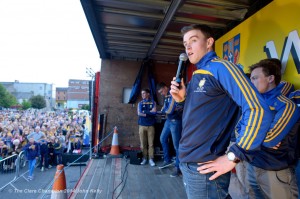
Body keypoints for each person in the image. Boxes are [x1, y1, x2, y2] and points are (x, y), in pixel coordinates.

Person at [169, 24, 273, 198]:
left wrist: (234, 156)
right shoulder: (197, 74)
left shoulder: (222, 67)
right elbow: (201, 116)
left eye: (193, 40)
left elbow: (258, 109)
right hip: (188, 162)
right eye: (185, 43)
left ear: (209, 42)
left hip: (204, 166)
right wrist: (182, 99)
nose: (187, 47)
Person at [243, 59, 300, 199]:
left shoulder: (286, 105)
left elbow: (269, 140)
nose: (251, 83)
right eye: (250, 79)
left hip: (274, 171)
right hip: (251, 166)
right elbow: (239, 131)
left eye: (255, 78)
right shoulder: (253, 104)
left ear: (270, 78)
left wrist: (251, 134)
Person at [157, 82, 183, 177]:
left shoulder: (173, 94)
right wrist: (162, 110)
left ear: (165, 87)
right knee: (162, 139)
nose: (161, 93)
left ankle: (178, 168)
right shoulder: (167, 96)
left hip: (176, 121)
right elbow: (164, 108)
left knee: (177, 146)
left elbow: (169, 110)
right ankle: (167, 160)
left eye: (161, 91)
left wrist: (162, 111)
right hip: (168, 121)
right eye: (160, 92)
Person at [137, 88, 157, 167]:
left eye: (144, 93)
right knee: (143, 144)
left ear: (148, 94)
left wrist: (145, 112)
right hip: (142, 125)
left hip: (151, 126)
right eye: (142, 94)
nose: (142, 95)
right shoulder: (140, 103)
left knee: (151, 144)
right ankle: (144, 158)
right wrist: (149, 112)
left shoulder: (153, 102)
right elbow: (139, 113)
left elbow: (154, 112)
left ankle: (151, 159)